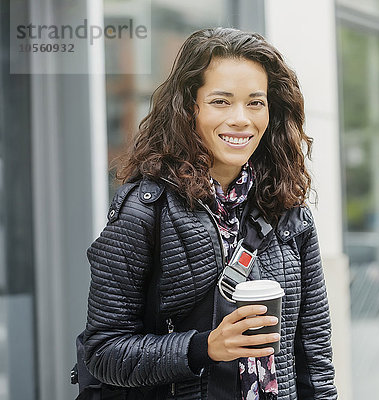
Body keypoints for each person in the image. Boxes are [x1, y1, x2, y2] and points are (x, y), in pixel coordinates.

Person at [82, 27, 337, 400]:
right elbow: (103, 353)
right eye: (221, 101)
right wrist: (205, 347)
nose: (241, 119)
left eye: (255, 102)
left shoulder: (288, 212)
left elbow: (315, 358)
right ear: (190, 108)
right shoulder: (144, 211)